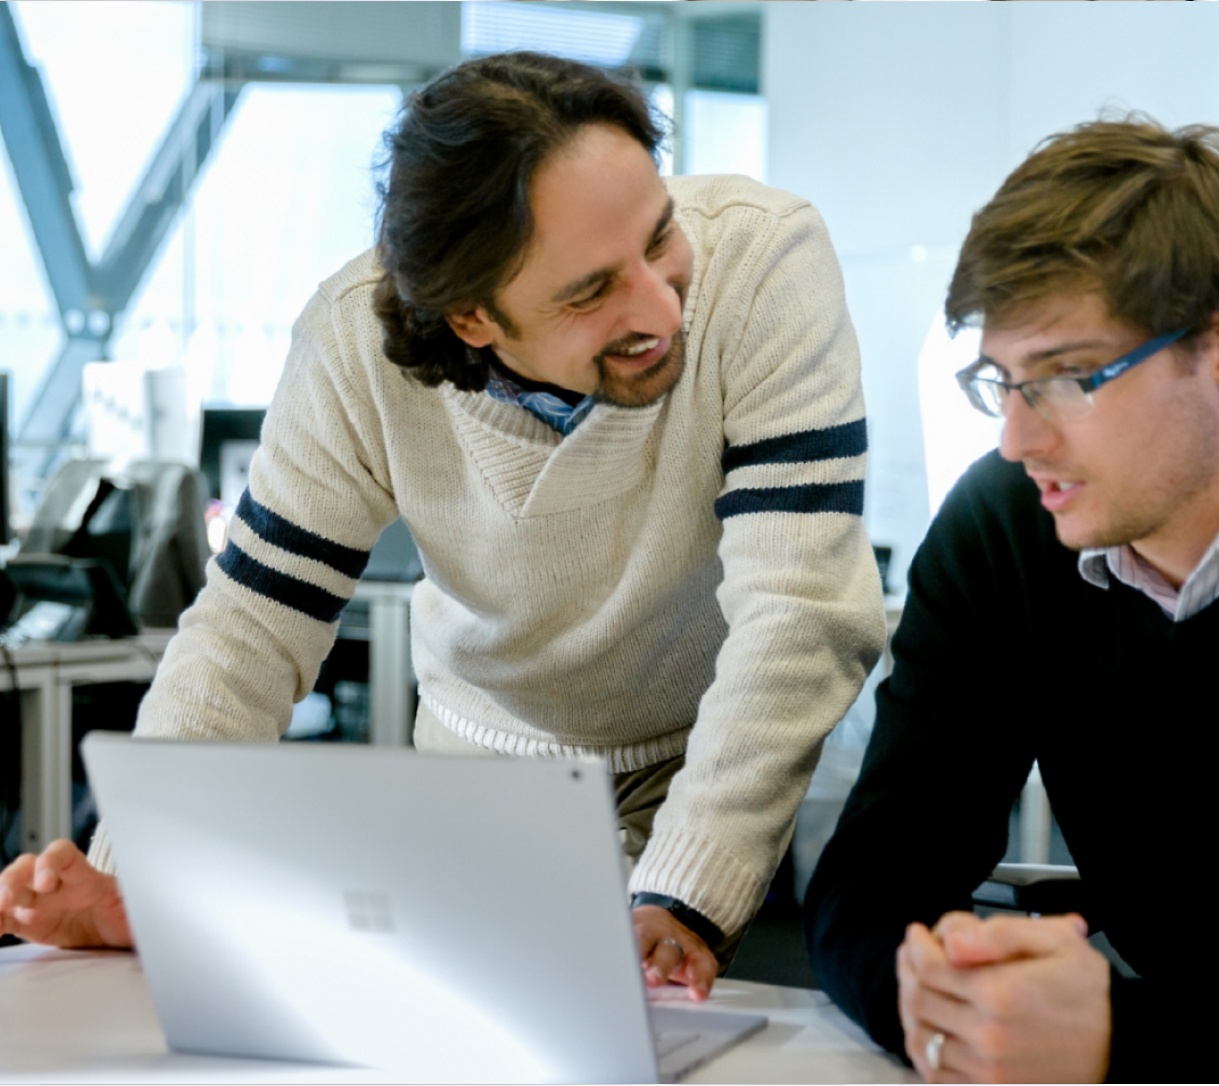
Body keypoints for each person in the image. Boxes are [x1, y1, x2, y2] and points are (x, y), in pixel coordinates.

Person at [0, 53, 885, 997]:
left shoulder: (762, 262)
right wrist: (141, 873)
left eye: (660, 237)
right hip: (483, 773)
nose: (661, 306)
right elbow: (251, 626)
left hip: (711, 753)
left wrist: (684, 897)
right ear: (472, 318)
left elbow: (798, 611)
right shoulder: (350, 341)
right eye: (590, 292)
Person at [804, 116, 1219, 1083]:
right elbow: (871, 883)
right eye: (999, 382)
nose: (1015, 440)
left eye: (1067, 379)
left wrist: (1115, 1041)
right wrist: (929, 997)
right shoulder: (1006, 530)